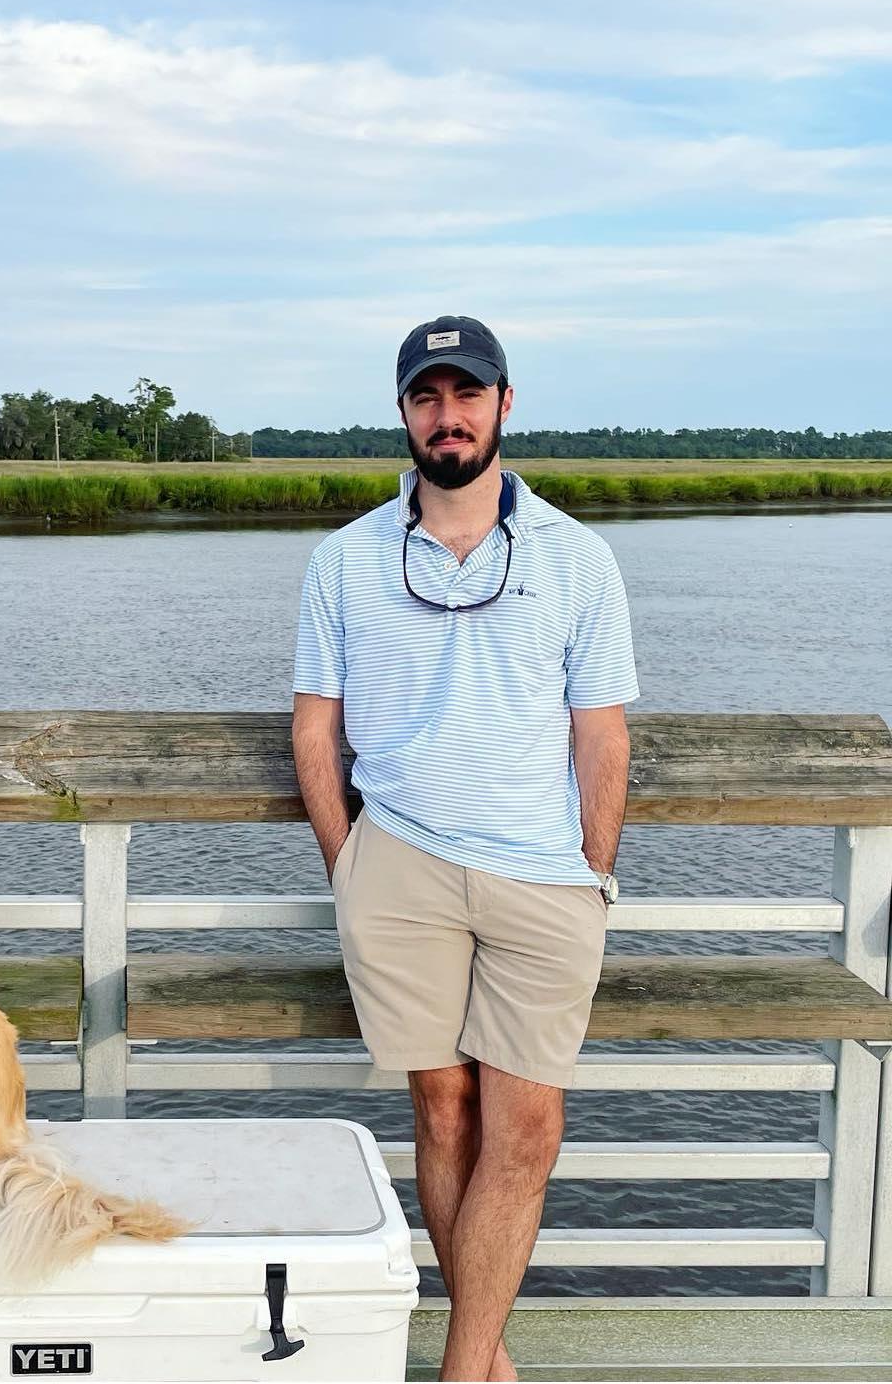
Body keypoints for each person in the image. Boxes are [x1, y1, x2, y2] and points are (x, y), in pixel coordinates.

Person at [291, 315, 638, 1382]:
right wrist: (349, 864)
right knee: (442, 1109)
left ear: (503, 405)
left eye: (467, 395)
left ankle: (463, 1362)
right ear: (403, 412)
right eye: (427, 398)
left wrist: (591, 869)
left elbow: (601, 730)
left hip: (543, 874)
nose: (448, 418)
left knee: (525, 1126)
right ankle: (481, 1357)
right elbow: (316, 727)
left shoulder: (579, 558)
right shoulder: (344, 559)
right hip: (399, 866)